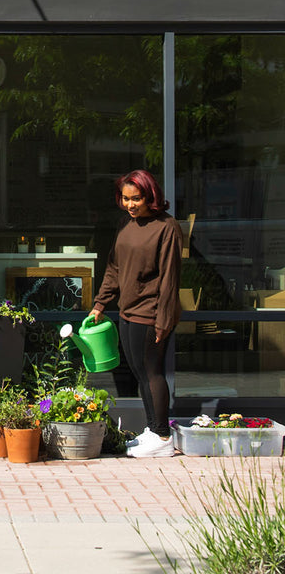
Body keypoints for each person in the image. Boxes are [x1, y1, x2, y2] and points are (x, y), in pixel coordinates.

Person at [89, 168, 181, 458]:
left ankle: (163, 436)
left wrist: (163, 320)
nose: (130, 204)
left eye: (136, 199)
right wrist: (100, 303)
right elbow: (114, 268)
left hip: (151, 313)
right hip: (127, 312)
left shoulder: (167, 227)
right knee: (140, 373)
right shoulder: (125, 225)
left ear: (150, 196)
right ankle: (153, 430)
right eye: (126, 199)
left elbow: (170, 278)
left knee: (152, 372)